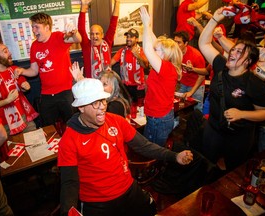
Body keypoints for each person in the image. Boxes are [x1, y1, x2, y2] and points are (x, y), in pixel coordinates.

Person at [58, 78, 193, 216]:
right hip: (97, 202)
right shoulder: (69, 140)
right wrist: (68, 211)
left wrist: (174, 156)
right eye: (95, 103)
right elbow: (69, 182)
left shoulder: (116, 121)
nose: (102, 106)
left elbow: (144, 146)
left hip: (128, 188)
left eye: (103, 100)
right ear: (81, 107)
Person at [198, 7, 265, 171]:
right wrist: (215, 19)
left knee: (233, 170)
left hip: (239, 137)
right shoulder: (220, 64)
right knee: (206, 165)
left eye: (239, 52)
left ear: (248, 61)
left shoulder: (254, 83)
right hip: (214, 129)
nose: (232, 52)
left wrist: (242, 113)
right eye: (233, 49)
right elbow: (203, 43)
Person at [15, 12, 82, 127]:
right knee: (47, 127)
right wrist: (22, 71)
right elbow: (34, 70)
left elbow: (77, 39)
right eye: (32, 27)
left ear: (47, 27)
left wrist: (75, 32)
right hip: (46, 93)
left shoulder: (58, 37)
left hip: (65, 92)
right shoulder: (34, 46)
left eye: (37, 27)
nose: (34, 31)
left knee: (72, 124)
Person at [140, 7, 183, 147]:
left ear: (166, 54)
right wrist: (148, 26)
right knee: (152, 149)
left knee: (154, 152)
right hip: (157, 117)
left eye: (156, 50)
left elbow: (147, 49)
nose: (153, 50)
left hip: (159, 119)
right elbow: (153, 43)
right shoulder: (165, 66)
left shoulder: (166, 68)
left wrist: (146, 25)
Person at [0, 38, 38, 135]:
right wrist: (6, 101)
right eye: (5, 51)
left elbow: (23, 88)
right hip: (3, 125)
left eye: (7, 50)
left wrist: (26, 87)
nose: (10, 53)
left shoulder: (15, 69)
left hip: (24, 117)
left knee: (36, 143)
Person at [78, 0, 120, 78]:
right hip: (92, 84)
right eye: (92, 34)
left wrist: (117, 3)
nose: (94, 36)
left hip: (107, 82)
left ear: (102, 35)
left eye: (97, 34)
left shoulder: (107, 42)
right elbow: (81, 29)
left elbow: (113, 23)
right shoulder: (86, 45)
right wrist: (83, 7)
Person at [111, 28, 149, 104]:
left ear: (137, 39)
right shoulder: (122, 51)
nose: (128, 39)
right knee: (128, 108)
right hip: (126, 87)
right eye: (127, 37)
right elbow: (111, 62)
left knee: (139, 109)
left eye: (131, 37)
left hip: (138, 87)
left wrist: (137, 56)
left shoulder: (141, 51)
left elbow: (145, 66)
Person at [173, 31, 206, 112]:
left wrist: (191, 92)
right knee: (175, 104)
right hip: (183, 83)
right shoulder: (174, 53)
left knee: (197, 109)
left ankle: (197, 124)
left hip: (196, 84)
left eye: (179, 42)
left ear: (186, 43)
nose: (176, 45)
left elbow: (202, 76)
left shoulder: (196, 55)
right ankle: (175, 123)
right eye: (174, 42)